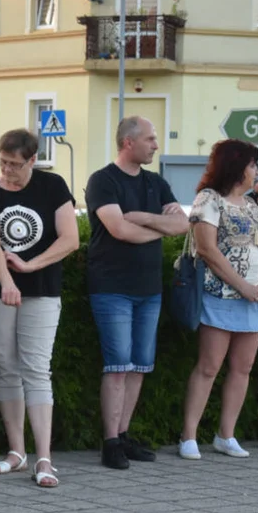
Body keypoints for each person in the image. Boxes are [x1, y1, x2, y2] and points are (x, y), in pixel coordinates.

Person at [86, 117, 187, 470]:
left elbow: (183, 224)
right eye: (150, 139)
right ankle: (110, 441)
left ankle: (125, 435)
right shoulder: (103, 181)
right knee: (117, 366)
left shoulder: (155, 183)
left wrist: (143, 218)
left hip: (149, 290)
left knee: (139, 366)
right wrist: (161, 226)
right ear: (128, 142)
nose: (155, 145)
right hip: (112, 287)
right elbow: (118, 229)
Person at [0, 129, 77, 488]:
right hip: (2, 291)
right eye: (2, 162)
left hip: (42, 292)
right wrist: (7, 281)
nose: (7, 171)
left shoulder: (52, 186)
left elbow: (70, 239)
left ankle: (44, 459)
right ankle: (16, 453)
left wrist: (30, 266)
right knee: (5, 367)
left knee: (36, 369)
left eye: (15, 165)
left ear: (33, 160)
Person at [179, 139, 258, 461]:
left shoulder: (251, 204)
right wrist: (243, 286)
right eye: (252, 165)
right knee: (209, 366)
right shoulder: (209, 200)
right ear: (236, 167)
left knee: (242, 368)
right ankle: (188, 436)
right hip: (219, 294)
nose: (256, 172)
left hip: (252, 298)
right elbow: (207, 249)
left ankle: (226, 435)